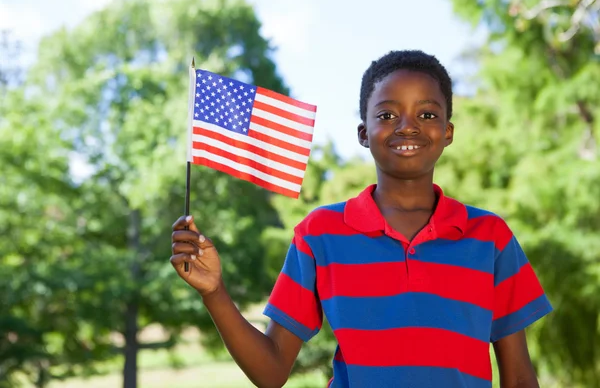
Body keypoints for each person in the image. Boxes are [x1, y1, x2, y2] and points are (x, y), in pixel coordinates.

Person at [170, 50, 553, 388]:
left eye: (427, 113)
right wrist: (214, 293)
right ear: (363, 133)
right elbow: (271, 372)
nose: (408, 126)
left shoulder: (491, 238)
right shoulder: (320, 234)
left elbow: (518, 377)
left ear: (447, 132)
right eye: (387, 114)